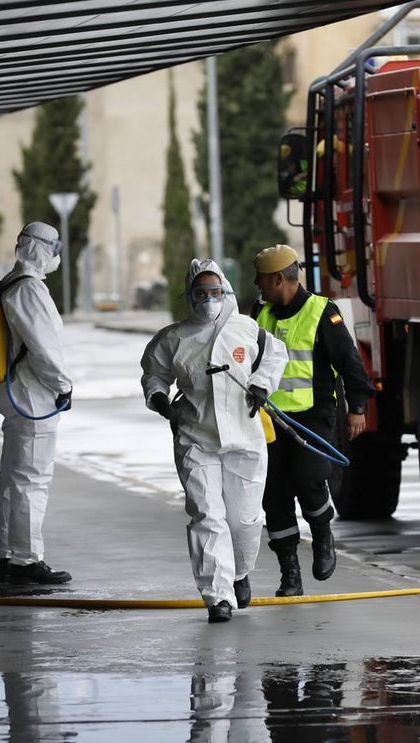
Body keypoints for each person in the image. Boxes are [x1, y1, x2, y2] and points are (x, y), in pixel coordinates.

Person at [140, 259, 287, 623]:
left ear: (227, 293)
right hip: (196, 438)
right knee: (207, 516)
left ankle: (239, 572)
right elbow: (153, 375)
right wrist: (160, 400)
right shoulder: (174, 338)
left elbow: (275, 356)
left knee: (244, 520)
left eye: (215, 292)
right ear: (190, 295)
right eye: (201, 293)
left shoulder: (246, 330)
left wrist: (261, 385)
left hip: (245, 439)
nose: (209, 299)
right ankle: (217, 596)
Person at [252, 244, 374, 597]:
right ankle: (290, 572)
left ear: (278, 278)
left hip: (313, 417)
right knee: (273, 496)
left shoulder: (322, 312)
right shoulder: (259, 312)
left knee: (308, 479)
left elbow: (351, 363)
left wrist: (358, 408)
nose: (257, 285)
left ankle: (322, 533)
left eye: (261, 279)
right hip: (268, 420)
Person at [0, 222, 74, 585]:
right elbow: (44, 347)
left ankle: (9, 555)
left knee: (12, 479)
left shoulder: (11, 284)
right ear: (41, 249)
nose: (56, 255)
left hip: (16, 394)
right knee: (31, 481)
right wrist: (63, 386)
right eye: (53, 248)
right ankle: (25, 561)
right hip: (34, 397)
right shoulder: (29, 290)